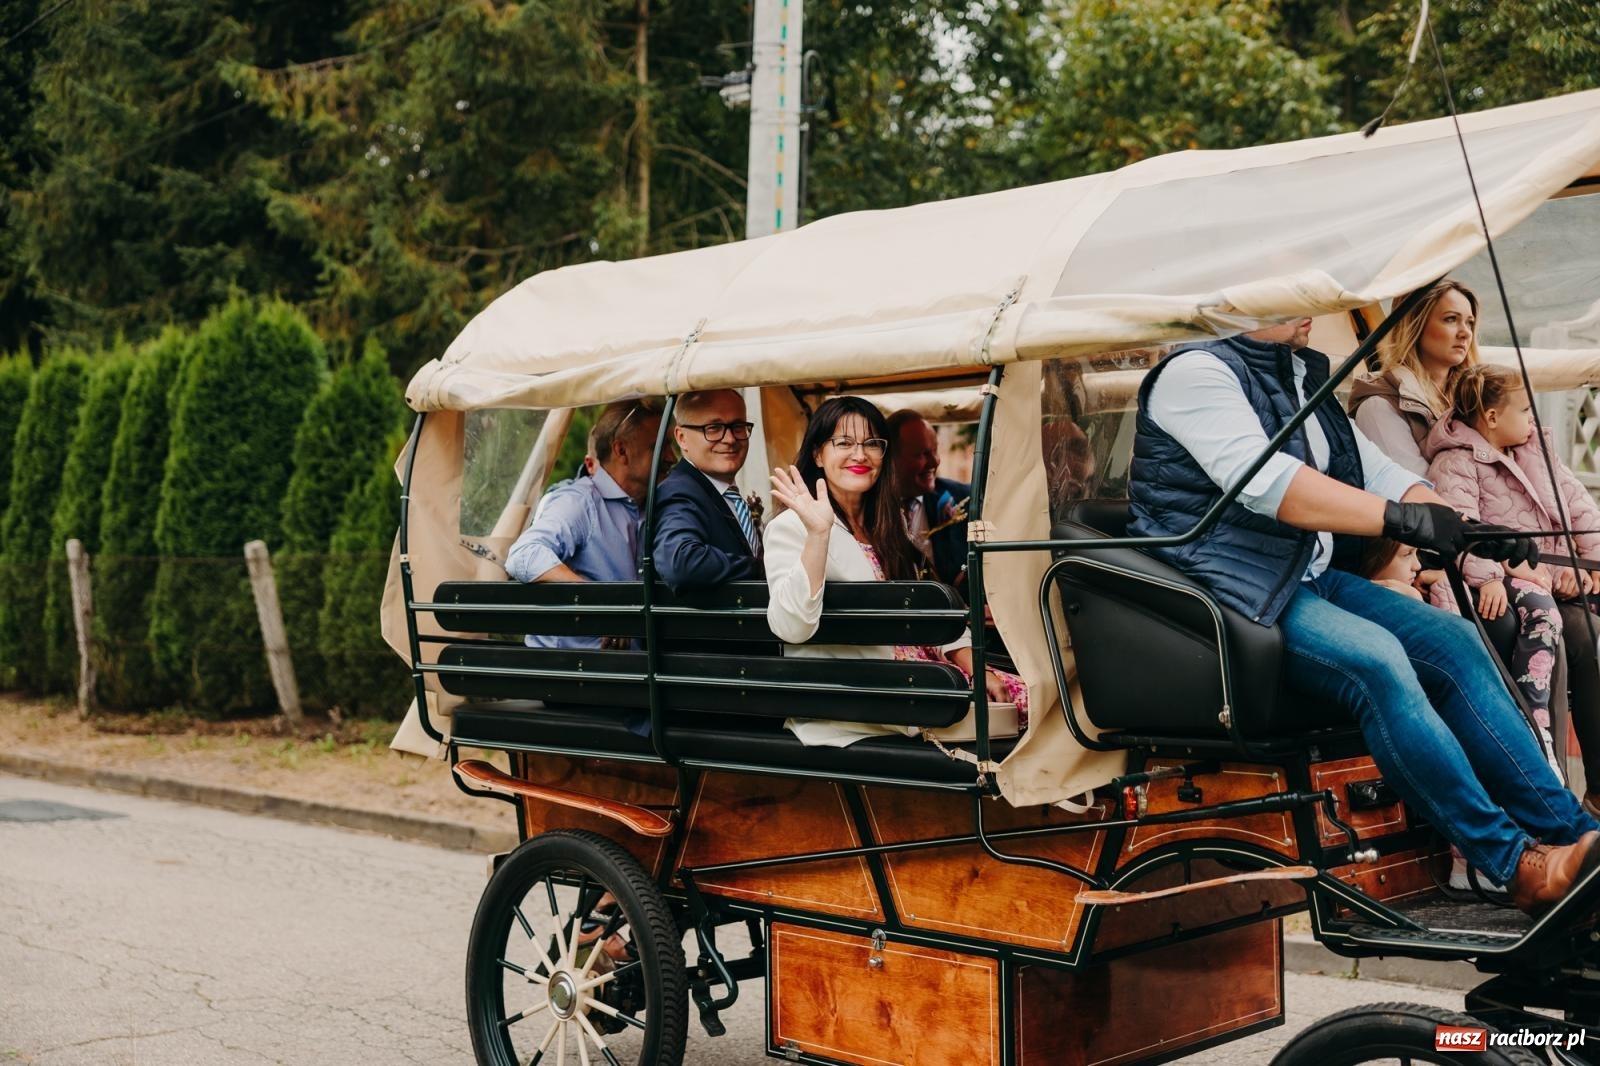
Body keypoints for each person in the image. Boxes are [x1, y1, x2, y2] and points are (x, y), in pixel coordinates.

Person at [1130, 315, 1599, 915]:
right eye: (1298, 292)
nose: (1313, 308)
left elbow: (1377, 472)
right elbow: (1272, 485)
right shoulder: (1195, 372)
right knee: (1379, 662)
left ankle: (1573, 838)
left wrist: (1468, 529)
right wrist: (1399, 520)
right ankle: (1513, 865)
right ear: (1246, 301)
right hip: (1231, 589)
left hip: (1304, 575)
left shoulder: (1300, 377)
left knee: (1457, 642)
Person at [764, 396, 1026, 747]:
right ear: (817, 454)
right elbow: (791, 626)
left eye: (872, 443)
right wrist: (818, 534)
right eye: (844, 443)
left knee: (1040, 695)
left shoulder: (889, 523)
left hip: (927, 675)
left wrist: (977, 669)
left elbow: (924, 610)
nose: (860, 455)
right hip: (875, 693)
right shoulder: (791, 528)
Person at [1425, 363, 1600, 814]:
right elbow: (1461, 528)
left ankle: (1596, 787)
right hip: (1513, 582)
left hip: (1555, 576)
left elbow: (1582, 510)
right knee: (1567, 633)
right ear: (1491, 417)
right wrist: (1489, 575)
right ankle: (1548, 776)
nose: (1532, 419)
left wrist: (1587, 564)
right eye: (1524, 409)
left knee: (1594, 637)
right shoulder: (1457, 462)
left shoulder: (1537, 452)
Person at [505, 399, 671, 648]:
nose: (671, 457)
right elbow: (523, 554)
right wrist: (597, 602)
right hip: (570, 668)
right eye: (658, 446)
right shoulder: (580, 502)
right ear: (621, 451)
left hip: (629, 667)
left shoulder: (654, 504)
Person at [1348, 278, 1483, 476]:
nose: (1465, 333)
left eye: (1470, 323)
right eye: (1451, 319)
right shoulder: (1378, 406)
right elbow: (1415, 488)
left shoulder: (1479, 397)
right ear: (1415, 324)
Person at [653, 389, 762, 593]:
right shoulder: (678, 492)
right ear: (681, 437)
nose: (730, 439)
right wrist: (763, 568)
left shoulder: (719, 492)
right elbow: (681, 564)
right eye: (713, 428)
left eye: (738, 426)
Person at [886, 409, 970, 586]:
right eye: (922, 454)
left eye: (935, 451)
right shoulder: (865, 508)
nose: (935, 461)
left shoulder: (964, 499)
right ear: (891, 459)